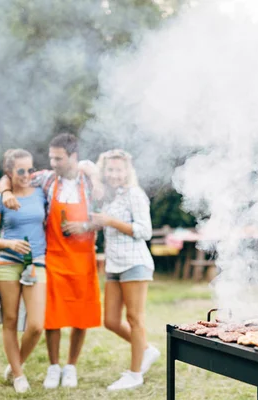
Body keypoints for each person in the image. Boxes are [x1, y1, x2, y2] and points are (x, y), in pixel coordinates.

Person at [0, 133, 102, 389]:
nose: (53, 162)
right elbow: (8, 176)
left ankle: (71, 367)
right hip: (53, 256)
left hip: (83, 258)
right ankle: (53, 366)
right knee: (52, 316)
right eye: (51, 157)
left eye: (58, 158)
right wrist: (4, 192)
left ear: (73, 157)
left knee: (80, 315)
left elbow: (105, 216)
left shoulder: (89, 181)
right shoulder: (45, 179)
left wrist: (85, 225)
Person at [89, 149, 160, 391]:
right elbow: (84, 166)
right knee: (109, 320)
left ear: (127, 171)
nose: (114, 174)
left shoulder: (135, 194)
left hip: (135, 263)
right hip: (114, 264)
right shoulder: (107, 196)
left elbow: (145, 231)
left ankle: (135, 374)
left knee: (134, 319)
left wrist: (110, 221)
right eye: (110, 169)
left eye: (119, 169)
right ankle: (147, 350)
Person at [0, 149, 47, 393]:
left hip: (36, 263)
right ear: (8, 173)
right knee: (10, 321)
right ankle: (19, 376)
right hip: (8, 264)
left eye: (30, 169)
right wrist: (9, 243)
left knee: (36, 325)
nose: (26, 175)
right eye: (20, 171)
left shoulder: (41, 193)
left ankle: (15, 364)